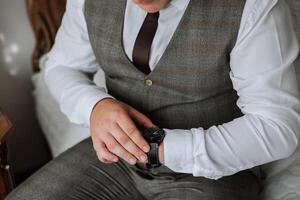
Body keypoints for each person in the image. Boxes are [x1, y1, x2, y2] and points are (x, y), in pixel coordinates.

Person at [7, 0, 300, 199]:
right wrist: (94, 106)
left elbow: (279, 126)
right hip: (113, 157)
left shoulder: (254, 7)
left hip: (216, 172)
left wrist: (161, 149)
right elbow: (61, 66)